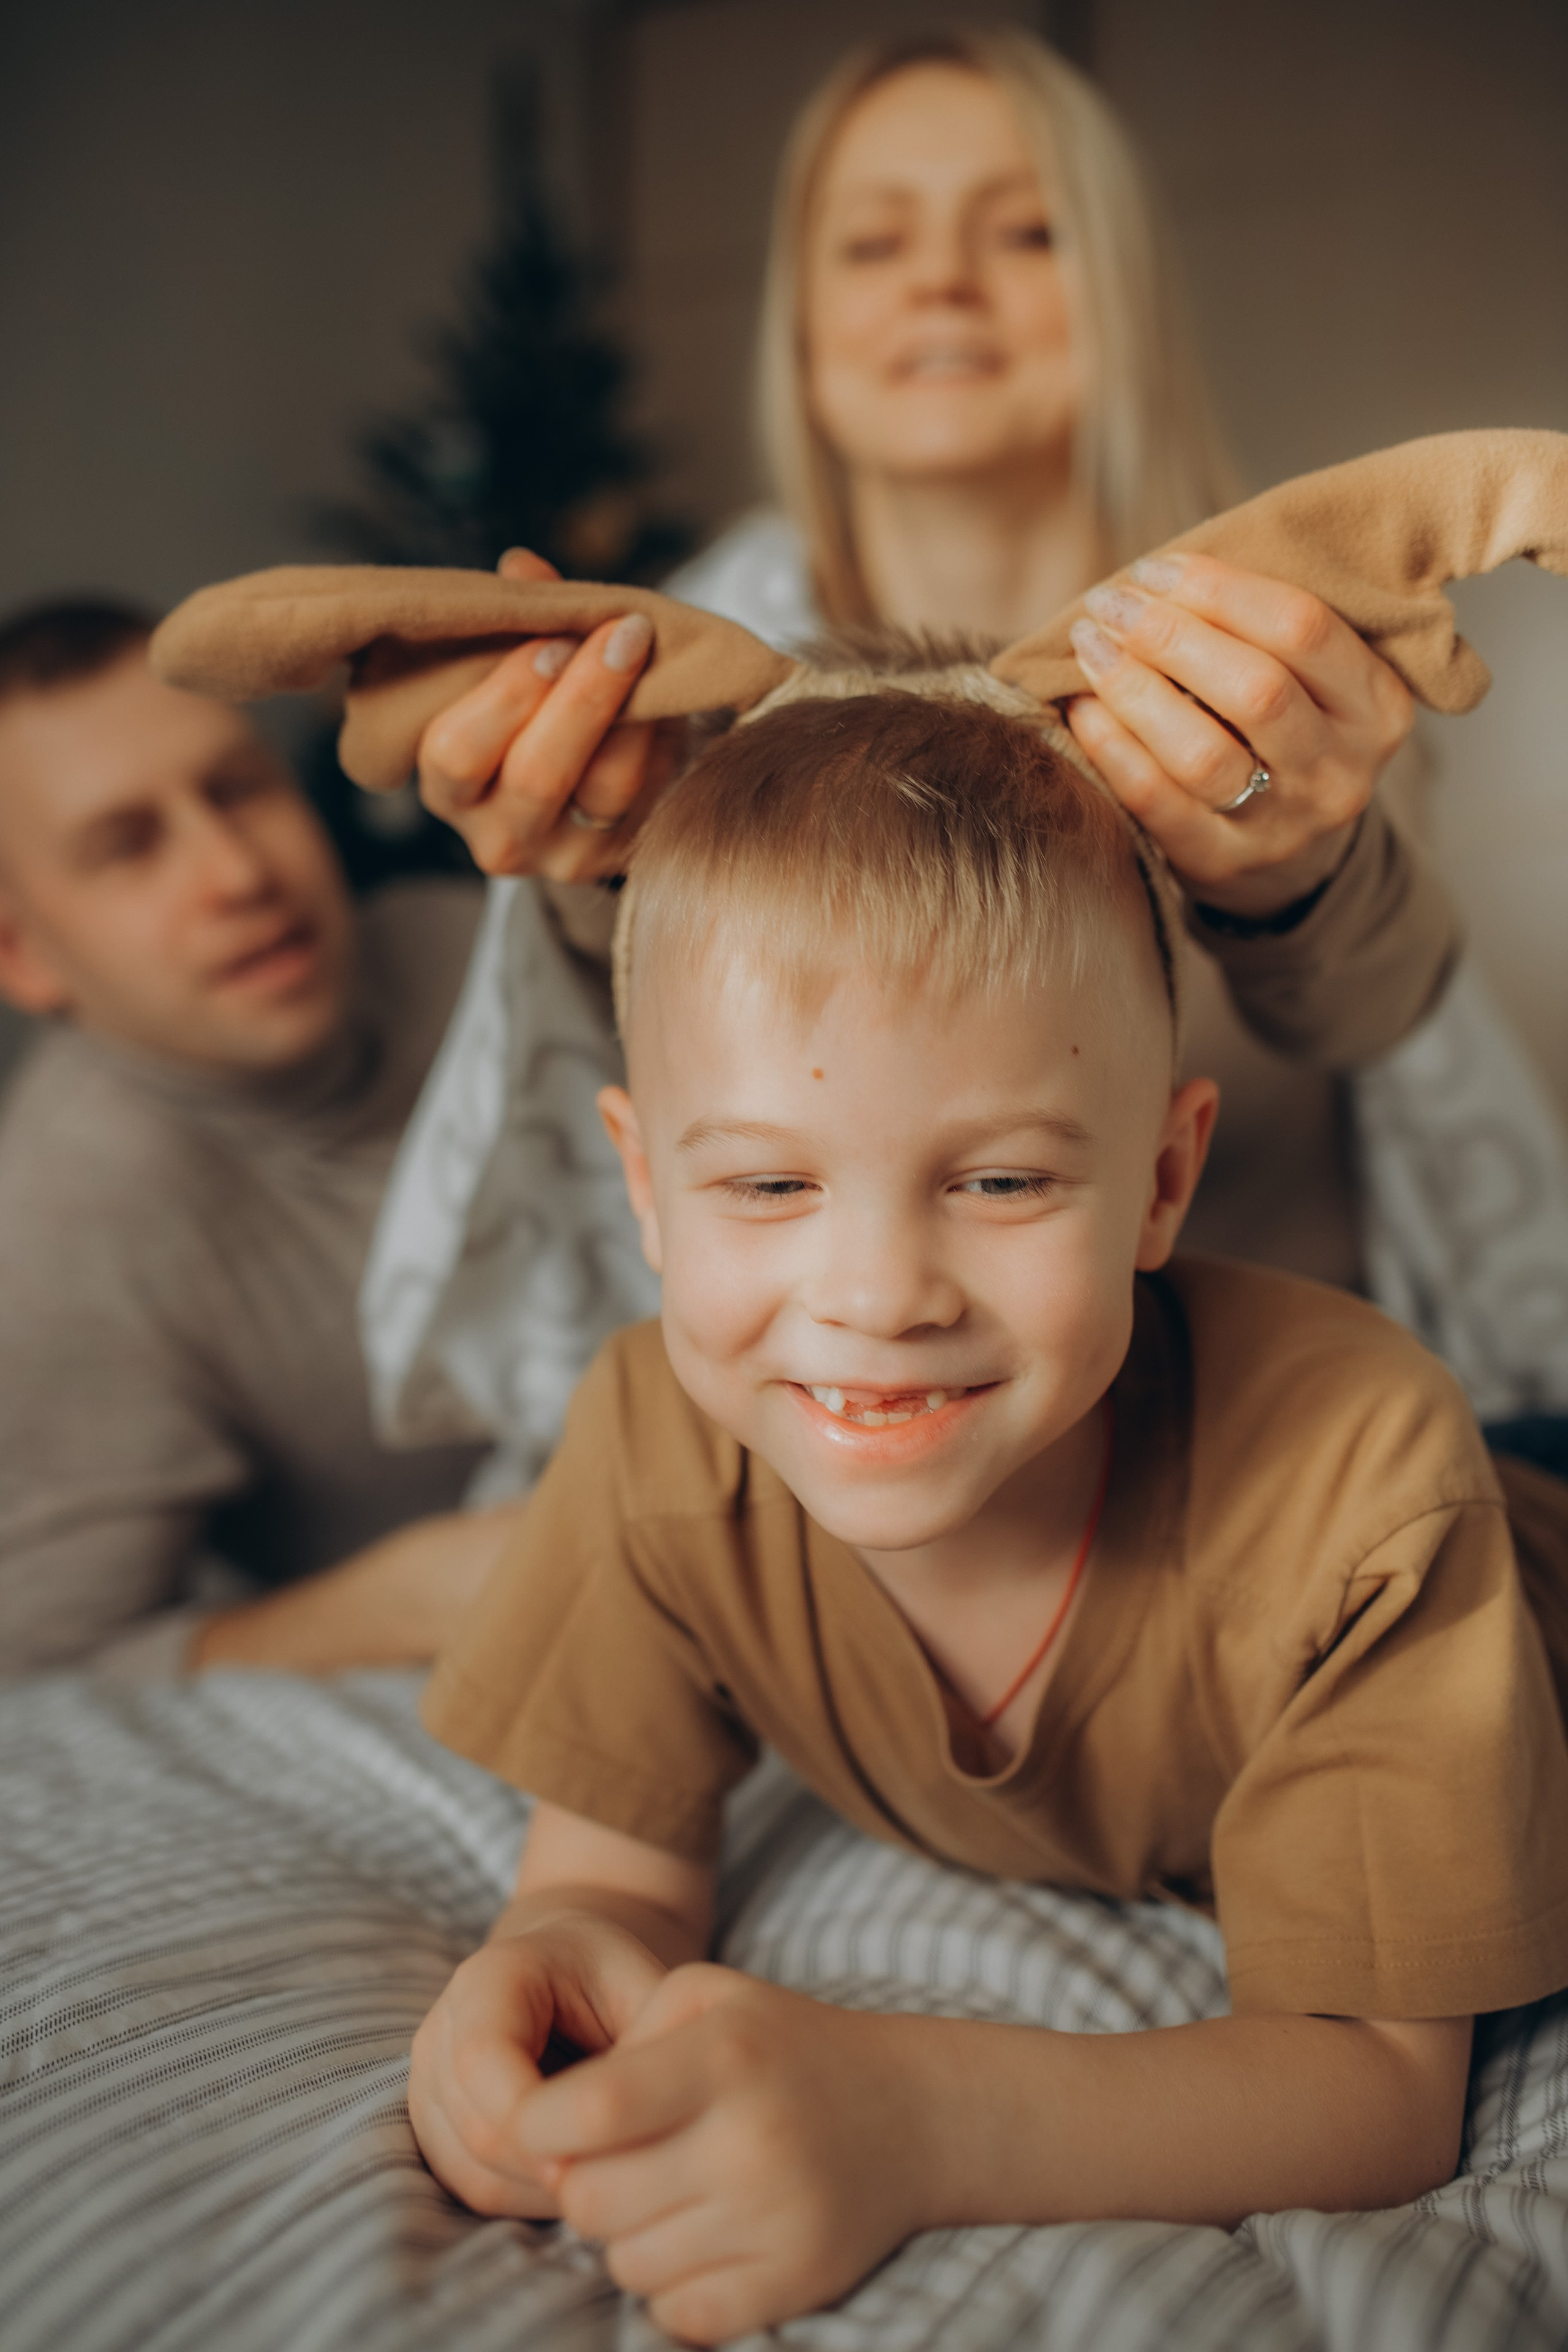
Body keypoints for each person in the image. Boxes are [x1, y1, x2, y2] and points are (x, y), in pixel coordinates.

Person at [406, 667, 1568, 2345]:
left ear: (1165, 1179)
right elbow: (611, 1885)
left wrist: (912, 2120)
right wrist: (555, 1968)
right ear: (649, 1188)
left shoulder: (1356, 1478)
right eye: (769, 1184)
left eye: (1004, 1179)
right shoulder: (654, 1445)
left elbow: (1381, 2089)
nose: (876, 1294)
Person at [360, 26, 1490, 1484]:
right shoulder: (662, 669)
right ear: (805, 333)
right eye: (872, 244)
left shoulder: (1272, 632)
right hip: (859, 1437)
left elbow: (1387, 1020)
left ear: (1124, 295)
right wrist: (593, 868)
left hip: (1242, 1420)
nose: (940, 281)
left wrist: (1296, 867)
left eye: (1023, 231)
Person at [0, 598, 514, 1678]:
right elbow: (51, 1664)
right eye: (127, 847)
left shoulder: (463, 943)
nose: (238, 874)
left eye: (237, 789)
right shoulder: (65, 1219)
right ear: (22, 957)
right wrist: (403, 1599)